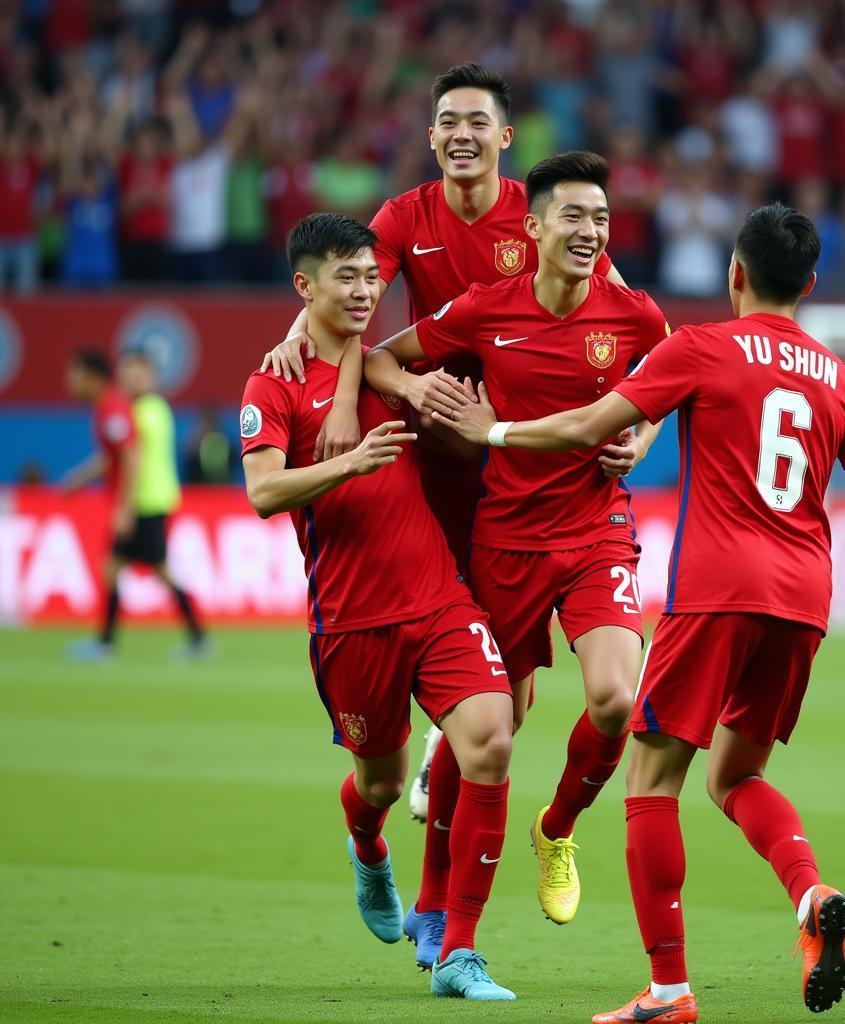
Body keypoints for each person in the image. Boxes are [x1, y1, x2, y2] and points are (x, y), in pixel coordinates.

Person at [431, 202, 845, 1023]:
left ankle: (669, 990)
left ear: (734, 274)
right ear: (811, 285)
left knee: (652, 781)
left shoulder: (702, 346)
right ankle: (808, 893)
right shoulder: (842, 380)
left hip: (717, 590)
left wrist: (491, 428)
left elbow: (586, 426)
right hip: (804, 600)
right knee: (739, 774)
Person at [259, 63, 625, 966]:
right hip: (446, 470)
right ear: (432, 138)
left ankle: (458, 875)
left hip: (534, 476)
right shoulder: (402, 219)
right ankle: (417, 882)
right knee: (467, 726)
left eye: (478, 122)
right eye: (447, 121)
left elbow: (610, 327)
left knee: (513, 708)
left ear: (506, 140)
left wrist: (632, 429)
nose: (461, 133)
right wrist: (342, 373)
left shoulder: (543, 221)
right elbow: (350, 312)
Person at [365, 150, 668, 936]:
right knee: (493, 728)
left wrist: (641, 438)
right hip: (507, 539)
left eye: (600, 217)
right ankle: (434, 904)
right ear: (532, 227)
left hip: (597, 531)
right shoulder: (483, 308)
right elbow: (381, 359)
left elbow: (664, 380)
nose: (589, 230)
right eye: (573, 215)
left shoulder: (631, 311)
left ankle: (558, 827)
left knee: (615, 700)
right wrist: (416, 389)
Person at [239, 212, 515, 1001]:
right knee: (384, 785)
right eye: (345, 278)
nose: (364, 291)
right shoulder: (275, 380)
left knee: (491, 742)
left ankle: (460, 953)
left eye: (371, 277)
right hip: (352, 621)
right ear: (306, 286)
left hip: (438, 600)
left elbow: (435, 413)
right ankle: (367, 848)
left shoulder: (390, 366)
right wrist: (352, 461)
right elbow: (263, 490)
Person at [63, 349, 206, 658]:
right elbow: (116, 456)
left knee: (155, 570)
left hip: (146, 502)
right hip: (148, 501)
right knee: (116, 568)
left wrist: (123, 508)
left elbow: (129, 455)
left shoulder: (145, 410)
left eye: (139, 373)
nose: (131, 378)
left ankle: (196, 638)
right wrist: (82, 478)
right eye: (127, 372)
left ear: (152, 377)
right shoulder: (144, 409)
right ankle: (106, 642)